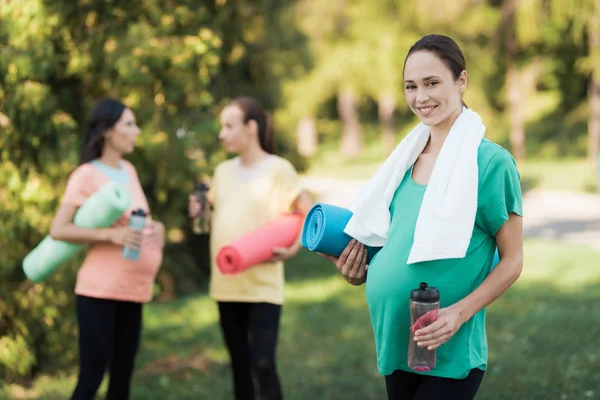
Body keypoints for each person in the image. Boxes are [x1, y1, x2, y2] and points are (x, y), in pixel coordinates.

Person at [322, 34, 524, 400]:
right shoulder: (403, 161)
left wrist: (458, 314)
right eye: (410, 86)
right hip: (395, 346)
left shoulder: (492, 164)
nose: (421, 97)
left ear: (461, 81)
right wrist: (359, 273)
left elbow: (513, 261)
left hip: (449, 353)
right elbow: (396, 246)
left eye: (432, 83)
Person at [189, 97, 313, 400]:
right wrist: (199, 211)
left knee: (263, 362)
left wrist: (295, 247)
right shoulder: (222, 171)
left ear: (251, 127)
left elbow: (309, 211)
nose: (222, 134)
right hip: (227, 284)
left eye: (228, 127)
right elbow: (217, 213)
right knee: (240, 365)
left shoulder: (278, 169)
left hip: (263, 285)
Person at [50, 98, 165, 400]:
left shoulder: (129, 170)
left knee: (122, 378)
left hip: (135, 288)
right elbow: (59, 228)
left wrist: (158, 229)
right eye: (129, 124)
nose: (136, 131)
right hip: (99, 291)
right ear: (106, 131)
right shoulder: (86, 175)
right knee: (92, 376)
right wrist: (111, 237)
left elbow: (138, 222)